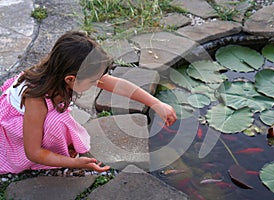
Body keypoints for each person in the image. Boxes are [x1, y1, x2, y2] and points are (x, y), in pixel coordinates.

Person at [0, 31, 177, 174]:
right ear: (70, 79)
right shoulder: (36, 101)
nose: (98, 84)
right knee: (57, 122)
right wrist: (75, 163)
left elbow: (118, 85)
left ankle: (56, 144)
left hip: (36, 116)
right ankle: (46, 147)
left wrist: (155, 103)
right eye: (93, 81)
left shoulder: (62, 72)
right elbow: (33, 152)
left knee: (57, 120)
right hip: (18, 124)